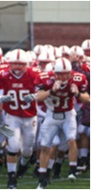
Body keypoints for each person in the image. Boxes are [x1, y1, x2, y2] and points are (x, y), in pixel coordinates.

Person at [34, 57, 90, 189]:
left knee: (71, 140)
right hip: (51, 115)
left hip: (68, 114)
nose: (64, 76)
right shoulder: (44, 78)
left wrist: (77, 94)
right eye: (60, 74)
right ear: (54, 73)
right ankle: (42, 178)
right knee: (45, 147)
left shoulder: (78, 78)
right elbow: (38, 97)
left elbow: (87, 98)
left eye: (66, 73)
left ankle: (72, 169)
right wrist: (52, 91)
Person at [0, 49, 40, 189]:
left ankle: (24, 164)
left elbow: (43, 92)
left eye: (21, 64)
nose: (18, 67)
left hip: (30, 117)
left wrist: (36, 95)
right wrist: (2, 100)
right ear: (9, 64)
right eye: (15, 64)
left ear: (27, 64)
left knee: (27, 150)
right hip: (11, 116)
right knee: (12, 146)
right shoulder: (3, 75)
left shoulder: (34, 74)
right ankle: (11, 178)